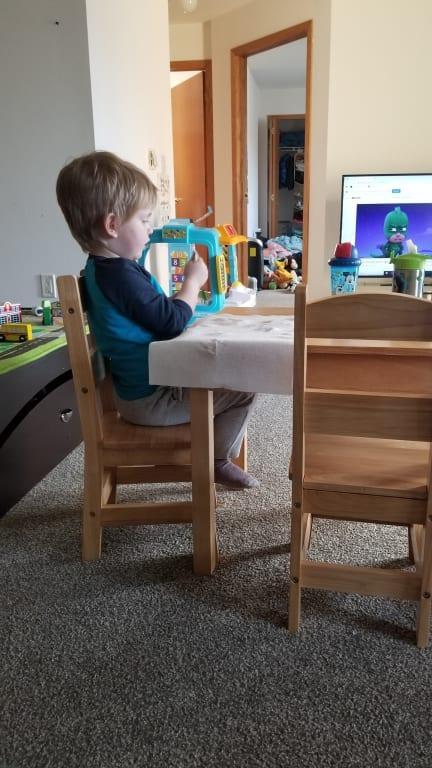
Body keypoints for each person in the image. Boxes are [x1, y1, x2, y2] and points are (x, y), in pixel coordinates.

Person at [56, 150, 259, 489]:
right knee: (245, 389)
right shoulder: (120, 275)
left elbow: (155, 317)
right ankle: (217, 460)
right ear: (112, 225)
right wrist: (192, 282)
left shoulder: (102, 270)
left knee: (222, 371)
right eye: (145, 219)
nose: (151, 228)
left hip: (141, 392)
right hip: (152, 401)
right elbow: (171, 321)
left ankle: (216, 454)